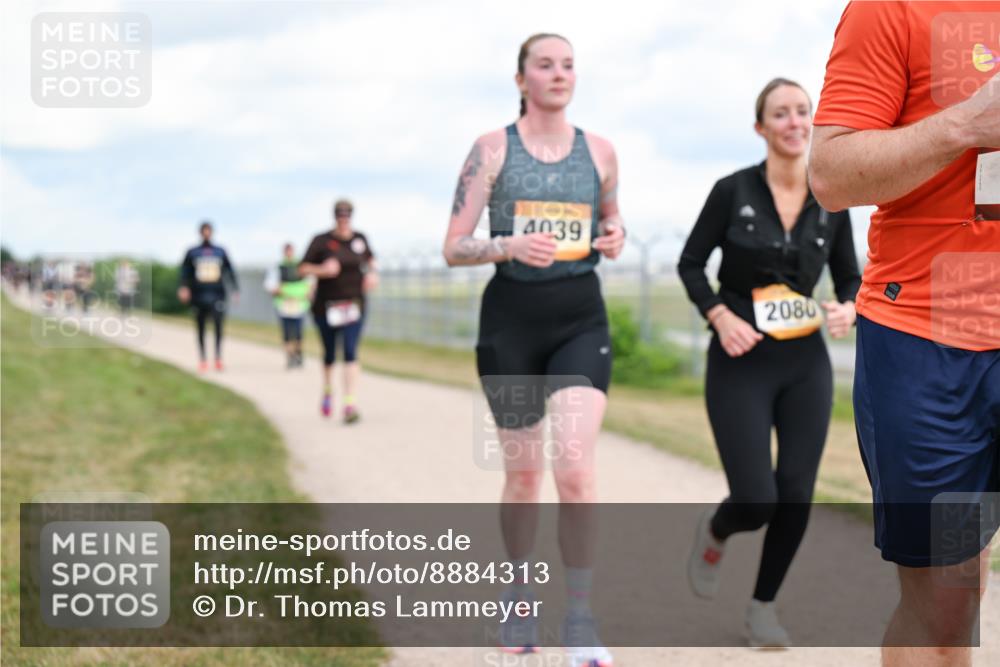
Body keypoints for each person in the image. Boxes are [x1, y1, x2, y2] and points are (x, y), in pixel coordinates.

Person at [808, 3, 1000, 665]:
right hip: (930, 339)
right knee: (946, 599)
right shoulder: (890, 9)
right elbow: (831, 177)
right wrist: (967, 125)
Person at [442, 33, 625, 667]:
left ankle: (579, 614)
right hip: (510, 326)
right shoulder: (492, 151)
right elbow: (453, 245)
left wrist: (614, 236)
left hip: (580, 318)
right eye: (544, 65)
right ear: (521, 78)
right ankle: (518, 597)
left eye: (568, 64)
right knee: (524, 478)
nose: (559, 74)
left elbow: (611, 221)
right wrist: (508, 246)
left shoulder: (600, 151)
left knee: (574, 470)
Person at [678, 77, 861, 648]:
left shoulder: (831, 198)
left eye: (803, 111)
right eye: (780, 113)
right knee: (757, 498)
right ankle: (717, 529)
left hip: (805, 360)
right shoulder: (731, 190)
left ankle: (763, 607)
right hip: (740, 358)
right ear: (761, 127)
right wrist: (718, 315)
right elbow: (689, 264)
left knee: (797, 490)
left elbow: (851, 275)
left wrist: (849, 308)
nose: (794, 122)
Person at [299, 199, 378, 422]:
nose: (343, 219)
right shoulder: (321, 241)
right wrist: (322, 270)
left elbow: (372, 262)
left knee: (351, 352)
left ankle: (349, 403)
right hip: (326, 307)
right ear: (334, 216)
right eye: (339, 215)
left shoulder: (360, 240)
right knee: (330, 354)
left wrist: (373, 274)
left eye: (347, 215)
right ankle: (327, 390)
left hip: (354, 305)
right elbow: (302, 268)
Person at [178, 221, 239, 372]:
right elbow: (185, 272)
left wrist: (235, 289)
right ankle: (203, 359)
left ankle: (218, 358)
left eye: (208, 231)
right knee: (200, 328)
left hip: (217, 294)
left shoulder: (220, 251)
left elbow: (230, 271)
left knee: (219, 327)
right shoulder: (193, 252)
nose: (206, 233)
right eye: (204, 231)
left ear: (212, 232)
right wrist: (184, 288)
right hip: (199, 295)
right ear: (200, 233)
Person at [264, 243, 312, 369]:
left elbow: (310, 282)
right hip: (284, 304)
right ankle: (290, 356)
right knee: (286, 332)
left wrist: (308, 293)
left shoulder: (301, 265)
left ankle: (298, 353)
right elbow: (270, 285)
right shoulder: (278, 267)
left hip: (299, 304)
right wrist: (278, 291)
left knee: (298, 332)